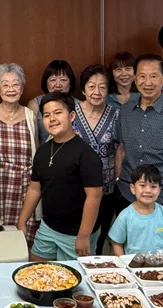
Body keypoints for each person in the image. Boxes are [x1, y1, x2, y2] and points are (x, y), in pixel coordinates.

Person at [17, 93, 103, 260]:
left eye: (58, 113)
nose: (52, 119)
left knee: (73, 281)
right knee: (36, 271)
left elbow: (94, 197)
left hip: (76, 233)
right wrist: (22, 221)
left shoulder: (86, 154)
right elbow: (35, 189)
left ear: (71, 116)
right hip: (48, 227)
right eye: (47, 115)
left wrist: (84, 236)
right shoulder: (43, 151)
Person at [115, 54, 163, 229]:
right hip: (129, 194)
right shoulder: (125, 110)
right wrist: (119, 179)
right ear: (135, 79)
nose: (147, 82)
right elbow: (121, 149)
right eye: (142, 76)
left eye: (153, 76)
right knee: (128, 250)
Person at [0, 63, 39, 243]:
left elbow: (36, 151)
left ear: (21, 89)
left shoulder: (30, 115)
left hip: (26, 186)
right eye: (5, 85)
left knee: (24, 235)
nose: (11, 89)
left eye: (15, 84)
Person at [73, 65, 123, 255]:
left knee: (99, 236)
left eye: (102, 87)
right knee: (74, 235)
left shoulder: (116, 115)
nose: (96, 91)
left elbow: (120, 150)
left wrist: (117, 180)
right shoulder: (71, 114)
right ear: (83, 89)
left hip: (106, 188)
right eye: (91, 86)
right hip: (75, 186)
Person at [109, 165, 163, 256]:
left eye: (153, 186)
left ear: (159, 190)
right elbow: (116, 243)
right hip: (133, 267)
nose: (148, 190)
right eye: (142, 185)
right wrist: (123, 263)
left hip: (161, 267)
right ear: (133, 188)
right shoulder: (125, 215)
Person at [28, 60, 77, 143]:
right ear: (46, 83)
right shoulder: (35, 104)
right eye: (53, 80)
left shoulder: (80, 105)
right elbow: (32, 139)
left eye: (63, 80)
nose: (58, 85)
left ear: (70, 83)